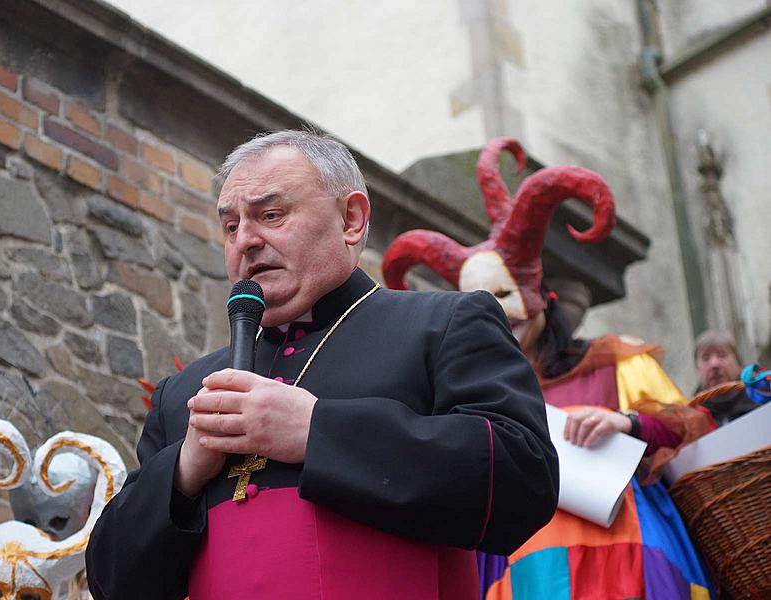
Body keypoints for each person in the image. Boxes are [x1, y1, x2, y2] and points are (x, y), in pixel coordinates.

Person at [85, 130, 560, 599]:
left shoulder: (443, 325)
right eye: (231, 227)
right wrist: (184, 471)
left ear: (351, 219)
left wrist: (315, 431)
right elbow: (112, 582)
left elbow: (523, 479)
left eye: (270, 215)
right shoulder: (183, 394)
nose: (245, 241)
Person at [383, 137, 717, 599]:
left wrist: (626, 421)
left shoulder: (615, 361)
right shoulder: (469, 397)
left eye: (505, 298)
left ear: (541, 298)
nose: (500, 319)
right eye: (478, 307)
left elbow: (695, 425)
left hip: (623, 553)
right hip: (520, 567)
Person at [693, 330, 757, 425]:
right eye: (706, 358)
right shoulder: (689, 421)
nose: (714, 364)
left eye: (722, 355)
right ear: (697, 370)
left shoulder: (764, 402)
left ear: (739, 364)